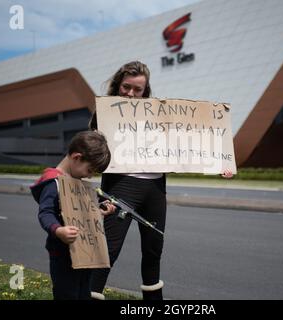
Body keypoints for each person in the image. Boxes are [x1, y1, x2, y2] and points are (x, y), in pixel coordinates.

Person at [88, 61, 233, 300]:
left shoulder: (159, 115)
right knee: (108, 251)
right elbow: (93, 155)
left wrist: (218, 164)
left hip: (154, 189)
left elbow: (186, 146)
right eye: (126, 87)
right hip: (120, 187)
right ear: (118, 85)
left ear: (146, 91)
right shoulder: (104, 114)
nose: (131, 94)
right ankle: (89, 294)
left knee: (153, 251)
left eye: (138, 89)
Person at [30, 130, 115, 300]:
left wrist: (99, 212)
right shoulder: (54, 183)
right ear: (77, 157)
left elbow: (80, 213)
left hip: (84, 254)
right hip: (63, 255)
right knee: (67, 294)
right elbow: (46, 213)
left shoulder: (78, 183)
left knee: (83, 294)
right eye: (90, 170)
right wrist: (58, 230)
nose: (90, 175)